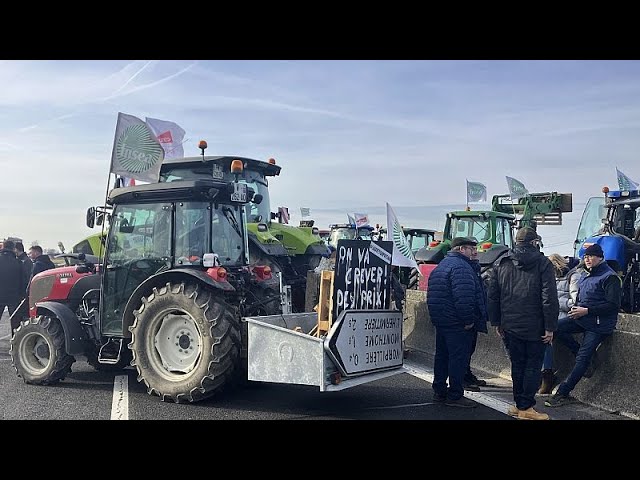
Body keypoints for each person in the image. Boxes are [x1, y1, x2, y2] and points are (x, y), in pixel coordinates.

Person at [487, 227, 558, 420]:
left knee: (517, 365)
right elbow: (549, 297)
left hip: (509, 324)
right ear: (534, 242)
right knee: (533, 366)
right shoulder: (543, 263)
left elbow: (493, 296)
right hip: (536, 325)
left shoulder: (501, 262)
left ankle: (518, 404)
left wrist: (497, 321)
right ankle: (527, 407)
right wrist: (550, 326)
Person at [545, 243, 622, 408]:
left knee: (582, 359)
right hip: (582, 317)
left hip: (598, 324)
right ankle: (578, 350)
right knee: (553, 328)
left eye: (591, 256)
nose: (587, 259)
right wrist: (577, 310)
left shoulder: (610, 277)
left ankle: (562, 393)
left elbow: (613, 306)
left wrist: (587, 310)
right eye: (585, 257)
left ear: (600, 257)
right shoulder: (588, 275)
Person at [427, 236, 487, 408]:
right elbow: (465, 298)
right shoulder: (462, 268)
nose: (475, 252)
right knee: (457, 359)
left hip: (442, 321)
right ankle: (455, 395)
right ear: (461, 249)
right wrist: (468, 321)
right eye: (471, 248)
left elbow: (433, 295)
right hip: (457, 324)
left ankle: (439, 391)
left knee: (442, 357)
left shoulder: (442, 266)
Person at [537, 253, 582, 394]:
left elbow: (574, 302)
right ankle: (545, 373)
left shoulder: (573, 277)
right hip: (553, 315)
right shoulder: (551, 277)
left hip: (567, 315)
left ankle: (548, 376)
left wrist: (554, 303)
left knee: (550, 333)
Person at [0, 240, 24, 332]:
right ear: (13, 249)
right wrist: (22, 295)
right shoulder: (18, 262)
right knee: (15, 323)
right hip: (14, 296)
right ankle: (15, 344)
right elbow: (23, 280)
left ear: (3, 247)